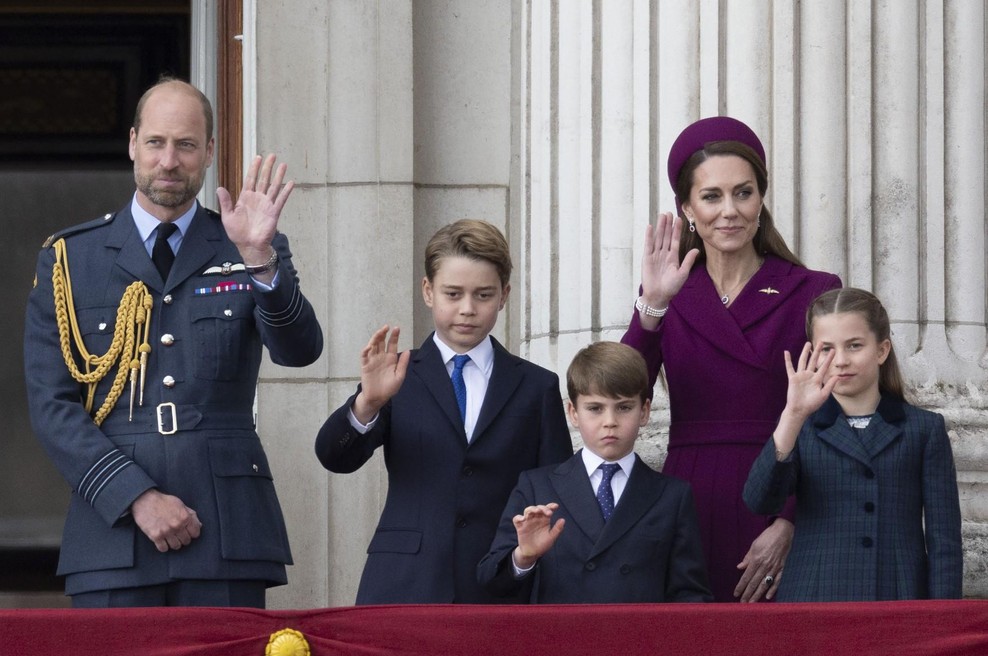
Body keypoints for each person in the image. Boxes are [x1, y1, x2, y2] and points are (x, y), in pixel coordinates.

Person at [23, 77, 323, 608]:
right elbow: (52, 405)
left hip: (226, 527)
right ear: (133, 143)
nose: (168, 161)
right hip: (113, 534)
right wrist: (135, 496)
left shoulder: (247, 243)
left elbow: (299, 351)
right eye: (156, 142)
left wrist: (259, 260)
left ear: (209, 151)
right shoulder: (71, 258)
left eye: (185, 144)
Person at [621, 116, 842, 602]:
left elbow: (831, 418)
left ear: (761, 198)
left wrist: (790, 518)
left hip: (778, 488)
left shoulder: (813, 290)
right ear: (687, 208)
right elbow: (618, 389)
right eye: (711, 196)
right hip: (689, 495)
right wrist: (651, 305)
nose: (729, 211)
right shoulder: (668, 293)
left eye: (743, 193)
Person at [315, 219, 573, 604]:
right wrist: (368, 402)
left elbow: (554, 494)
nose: (467, 309)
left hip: (499, 587)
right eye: (453, 294)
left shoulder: (537, 387)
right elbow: (334, 457)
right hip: (403, 584)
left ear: (504, 295)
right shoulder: (397, 374)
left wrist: (524, 561)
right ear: (428, 291)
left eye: (483, 295)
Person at [743, 288, 962, 601]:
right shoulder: (800, 426)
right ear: (813, 354)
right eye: (827, 349)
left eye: (855, 345)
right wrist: (792, 415)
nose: (841, 360)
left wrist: (942, 618)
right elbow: (760, 501)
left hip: (897, 596)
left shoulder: (924, 429)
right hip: (814, 596)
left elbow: (945, 542)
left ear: (882, 350)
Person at [478, 341, 712, 603]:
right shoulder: (537, 486)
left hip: (637, 630)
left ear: (644, 412)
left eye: (624, 407)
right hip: (562, 629)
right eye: (595, 408)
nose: (609, 421)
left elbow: (690, 595)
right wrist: (523, 557)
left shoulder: (672, 495)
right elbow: (490, 580)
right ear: (573, 413)